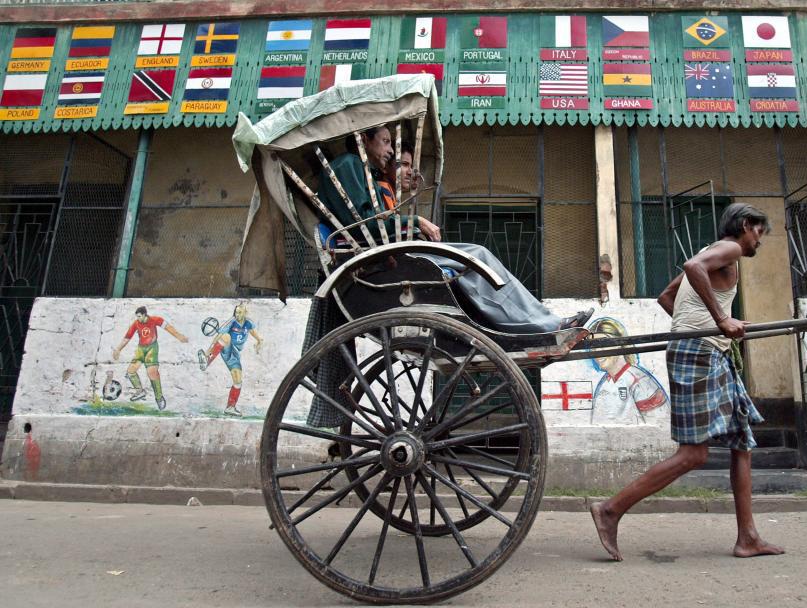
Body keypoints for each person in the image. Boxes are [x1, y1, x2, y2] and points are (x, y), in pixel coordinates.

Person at [590, 203, 784, 561]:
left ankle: (749, 537)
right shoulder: (729, 248)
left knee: (741, 441)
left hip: (709, 352)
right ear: (745, 225)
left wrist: (701, 327)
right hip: (699, 354)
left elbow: (667, 297)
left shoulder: (713, 253)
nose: (760, 240)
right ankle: (610, 509)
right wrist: (721, 320)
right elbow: (692, 269)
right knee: (694, 454)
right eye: (759, 231)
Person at [316, 126, 591, 334]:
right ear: (364, 138)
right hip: (380, 260)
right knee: (476, 256)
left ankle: (535, 322)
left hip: (387, 253)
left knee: (475, 255)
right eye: (386, 142)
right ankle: (540, 324)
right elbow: (365, 225)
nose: (390, 151)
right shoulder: (348, 165)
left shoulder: (364, 174)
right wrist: (414, 223)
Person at [588, 317, 668, 425]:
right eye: (593, 346)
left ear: (620, 343)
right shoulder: (604, 383)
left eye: (603, 343)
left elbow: (662, 425)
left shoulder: (640, 381)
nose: (596, 351)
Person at [112, 306, 188, 411]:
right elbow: (127, 338)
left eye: (139, 316)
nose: (138, 318)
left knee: (152, 372)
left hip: (152, 348)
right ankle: (140, 391)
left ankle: (159, 397)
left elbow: (168, 327)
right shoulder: (136, 323)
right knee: (130, 371)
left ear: (144, 315)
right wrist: (118, 349)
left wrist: (179, 336)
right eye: (137, 316)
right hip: (140, 349)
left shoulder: (154, 319)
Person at [198, 303, 264, 417]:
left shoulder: (248, 323)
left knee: (238, 380)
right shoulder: (232, 322)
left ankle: (230, 407)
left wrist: (259, 341)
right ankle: (206, 361)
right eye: (236, 312)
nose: (237, 314)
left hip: (235, 354)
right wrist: (208, 351)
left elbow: (253, 333)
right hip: (227, 348)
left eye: (239, 312)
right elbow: (219, 335)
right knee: (226, 336)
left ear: (245, 313)